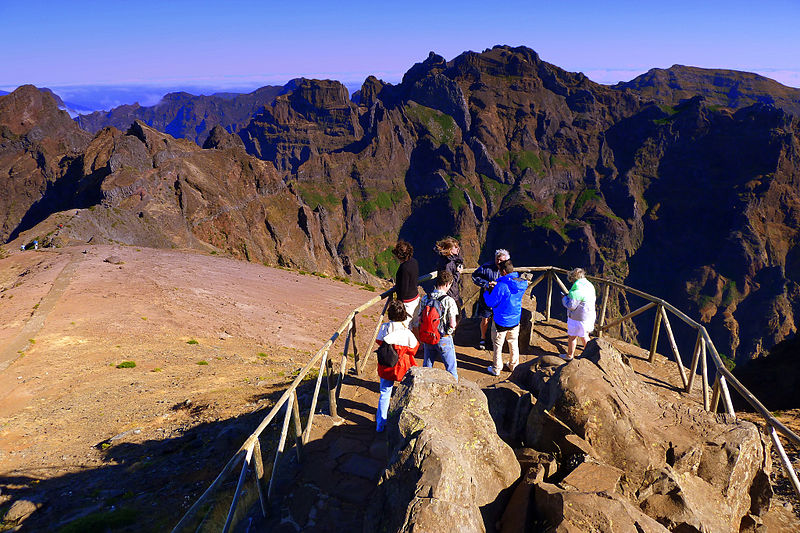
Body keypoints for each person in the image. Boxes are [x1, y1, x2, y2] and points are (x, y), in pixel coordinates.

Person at [375, 300, 419, 432]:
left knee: (385, 393)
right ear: (404, 315)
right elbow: (414, 349)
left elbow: (379, 342)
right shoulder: (407, 333)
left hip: (386, 366)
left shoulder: (384, 328)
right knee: (405, 392)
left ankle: (380, 424)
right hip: (402, 368)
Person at [483, 259, 528, 376]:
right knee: (513, 342)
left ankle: (496, 368)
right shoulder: (522, 283)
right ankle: (514, 365)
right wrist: (498, 285)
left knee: (498, 345)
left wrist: (486, 292)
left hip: (501, 321)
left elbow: (491, 303)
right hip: (515, 320)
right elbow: (511, 288)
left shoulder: (501, 286)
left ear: (503, 271)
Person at [419, 270, 459, 380]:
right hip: (443, 338)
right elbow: (452, 323)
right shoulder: (449, 301)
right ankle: (455, 391)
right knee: (451, 368)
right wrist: (449, 333)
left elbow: (419, 318)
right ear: (447, 284)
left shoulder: (425, 298)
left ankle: (424, 388)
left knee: (427, 367)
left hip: (428, 336)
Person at [471, 248, 511, 350]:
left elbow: (511, 282)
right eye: (497, 259)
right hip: (487, 297)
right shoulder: (486, 267)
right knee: (485, 319)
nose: (498, 262)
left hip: (501, 300)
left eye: (501, 260)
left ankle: (497, 342)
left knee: (498, 320)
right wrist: (486, 284)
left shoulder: (508, 269)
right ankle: (483, 339)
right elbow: (475, 276)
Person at [560, 268, 597, 361]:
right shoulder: (589, 285)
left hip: (578, 318)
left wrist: (564, 298)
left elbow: (571, 306)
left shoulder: (576, 289)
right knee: (585, 336)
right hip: (589, 316)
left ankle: (569, 355)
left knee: (572, 337)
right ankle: (590, 355)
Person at [392, 240, 420, 328]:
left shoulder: (404, 268)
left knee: (406, 326)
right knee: (416, 324)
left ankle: (409, 341)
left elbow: (403, 289)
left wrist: (398, 302)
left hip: (408, 302)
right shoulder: (414, 261)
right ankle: (418, 341)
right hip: (416, 298)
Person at [435, 237, 464, 316]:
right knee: (456, 316)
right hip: (450, 293)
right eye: (456, 247)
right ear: (450, 250)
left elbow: (459, 260)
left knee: (453, 315)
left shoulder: (448, 259)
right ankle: (451, 328)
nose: (458, 248)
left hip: (450, 292)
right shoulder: (448, 264)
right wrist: (458, 272)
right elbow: (450, 281)